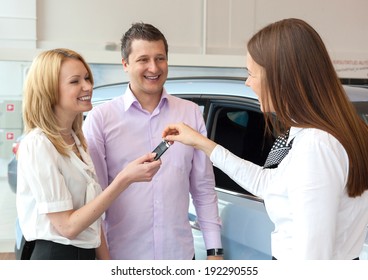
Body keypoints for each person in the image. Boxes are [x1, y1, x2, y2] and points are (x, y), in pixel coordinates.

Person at [162, 18, 368, 260]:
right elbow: (266, 182)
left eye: (251, 74)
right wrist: (200, 142)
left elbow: (313, 259)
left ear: (281, 77)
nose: (248, 82)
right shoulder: (324, 133)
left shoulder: (317, 146)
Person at [83, 22, 223, 260]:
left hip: (179, 256)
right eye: (143, 59)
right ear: (125, 64)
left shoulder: (189, 114)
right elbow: (94, 200)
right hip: (123, 257)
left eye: (160, 58)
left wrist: (214, 251)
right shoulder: (101, 119)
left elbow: (203, 188)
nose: (153, 67)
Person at [16, 48, 161, 260]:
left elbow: (92, 220)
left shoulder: (77, 141)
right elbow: (67, 227)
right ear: (49, 89)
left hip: (84, 255)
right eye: (75, 81)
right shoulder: (38, 144)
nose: (88, 86)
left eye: (87, 78)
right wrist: (124, 179)